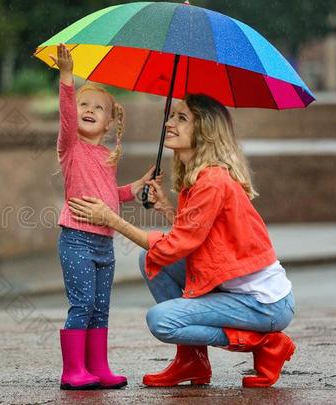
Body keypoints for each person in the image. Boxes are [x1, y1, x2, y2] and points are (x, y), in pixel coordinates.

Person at [67, 94, 296, 388]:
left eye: (181, 118)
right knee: (151, 261)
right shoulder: (199, 179)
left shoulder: (212, 181)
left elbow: (177, 245)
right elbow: (199, 239)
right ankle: (192, 362)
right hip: (240, 293)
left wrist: (111, 219)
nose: (169, 123)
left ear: (204, 132)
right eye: (172, 115)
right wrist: (165, 208)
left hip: (264, 305)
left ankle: (264, 342)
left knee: (162, 321)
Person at [50, 43, 161, 390]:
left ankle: (97, 367)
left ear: (110, 122)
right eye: (84, 104)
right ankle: (73, 371)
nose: (87, 110)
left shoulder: (105, 155)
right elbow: (67, 117)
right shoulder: (71, 147)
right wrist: (67, 78)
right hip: (77, 240)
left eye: (98, 108)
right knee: (81, 304)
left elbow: (110, 198)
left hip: (104, 243)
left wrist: (138, 185)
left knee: (100, 307)